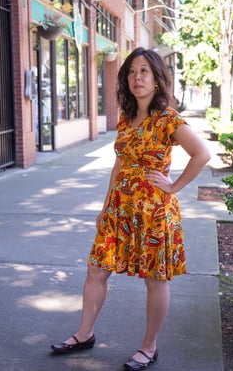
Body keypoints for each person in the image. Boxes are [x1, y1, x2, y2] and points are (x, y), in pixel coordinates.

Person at [50, 47, 211, 371]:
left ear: (156, 79)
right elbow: (119, 165)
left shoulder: (168, 118)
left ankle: (149, 347)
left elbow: (202, 153)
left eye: (144, 71)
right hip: (119, 211)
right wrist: (106, 206)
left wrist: (173, 185)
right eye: (132, 72)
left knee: (154, 279)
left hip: (153, 212)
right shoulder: (126, 119)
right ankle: (84, 334)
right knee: (96, 269)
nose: (137, 77)